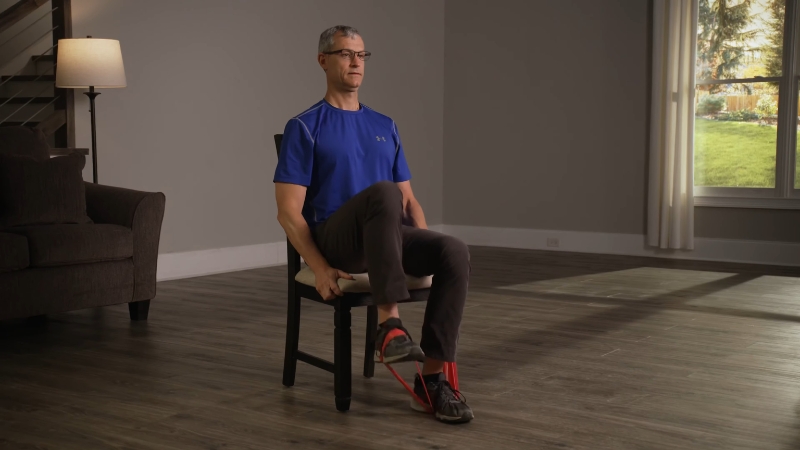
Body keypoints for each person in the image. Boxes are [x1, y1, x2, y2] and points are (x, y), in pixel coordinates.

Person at [273, 25, 474, 424]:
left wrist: (426, 246)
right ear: (323, 60)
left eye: (361, 55)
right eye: (346, 54)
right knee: (383, 193)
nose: (355, 63)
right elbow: (288, 212)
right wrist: (319, 267)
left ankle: (430, 382)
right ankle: (390, 325)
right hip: (336, 240)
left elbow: (410, 200)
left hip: (385, 237)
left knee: (453, 250)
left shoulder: (385, 125)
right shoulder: (305, 126)